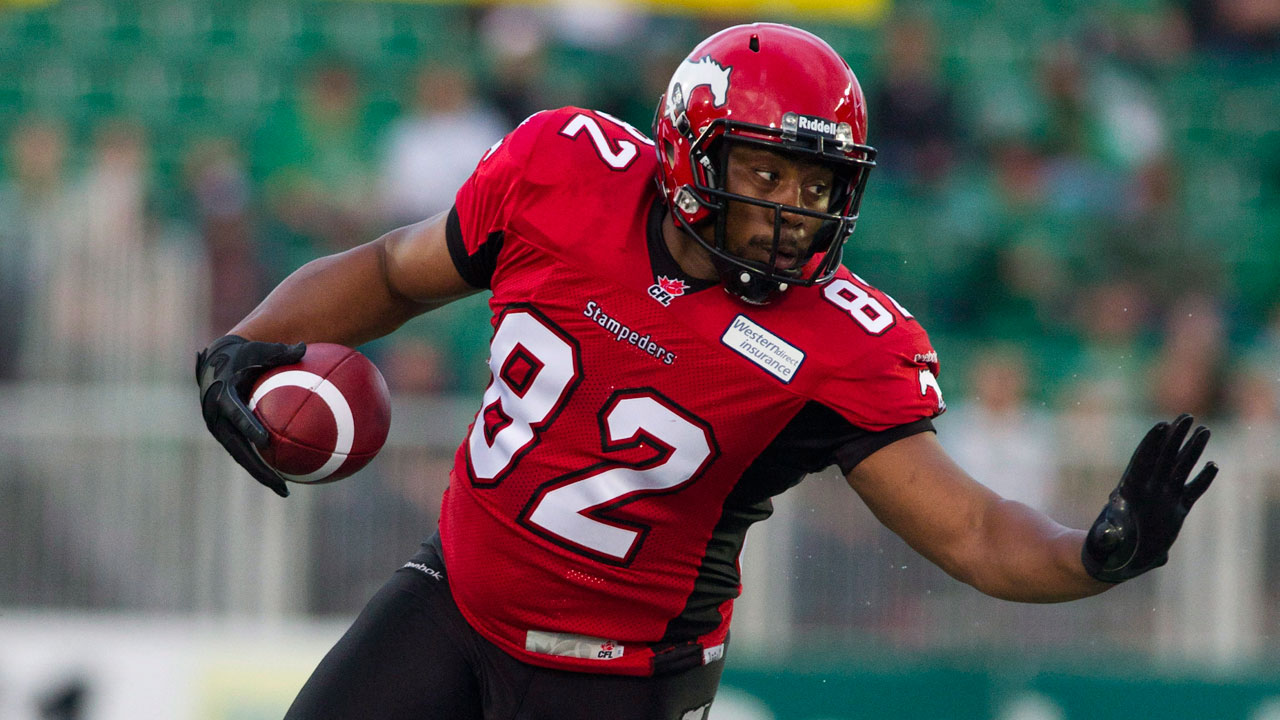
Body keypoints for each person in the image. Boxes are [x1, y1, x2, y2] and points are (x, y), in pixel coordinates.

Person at [196, 23, 1218, 720]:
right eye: (763, 172)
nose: (789, 208)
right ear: (687, 154)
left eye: (814, 183)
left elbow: (970, 528)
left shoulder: (839, 342)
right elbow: (388, 271)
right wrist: (249, 341)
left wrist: (1094, 555)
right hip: (451, 598)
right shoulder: (561, 172)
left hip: (615, 682)